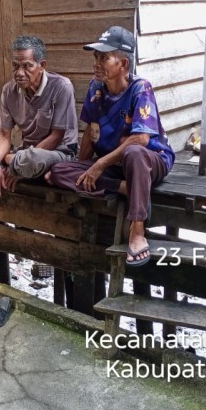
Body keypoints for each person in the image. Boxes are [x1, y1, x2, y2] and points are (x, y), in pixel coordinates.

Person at [46, 26, 174, 266]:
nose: (96, 63)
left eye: (103, 57)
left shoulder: (140, 88)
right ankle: (125, 187)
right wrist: (83, 167)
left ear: (123, 64)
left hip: (149, 160)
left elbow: (142, 140)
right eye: (96, 57)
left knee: (134, 151)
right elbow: (89, 132)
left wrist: (100, 164)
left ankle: (137, 229)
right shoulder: (96, 88)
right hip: (115, 168)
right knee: (57, 171)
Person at [0, 35, 78, 196]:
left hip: (57, 153)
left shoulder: (62, 87)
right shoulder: (8, 90)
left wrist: (13, 168)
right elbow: (4, 133)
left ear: (42, 66)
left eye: (27, 66)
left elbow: (57, 137)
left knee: (33, 160)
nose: (19, 73)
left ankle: (1, 156)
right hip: (24, 155)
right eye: (15, 66)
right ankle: (4, 159)